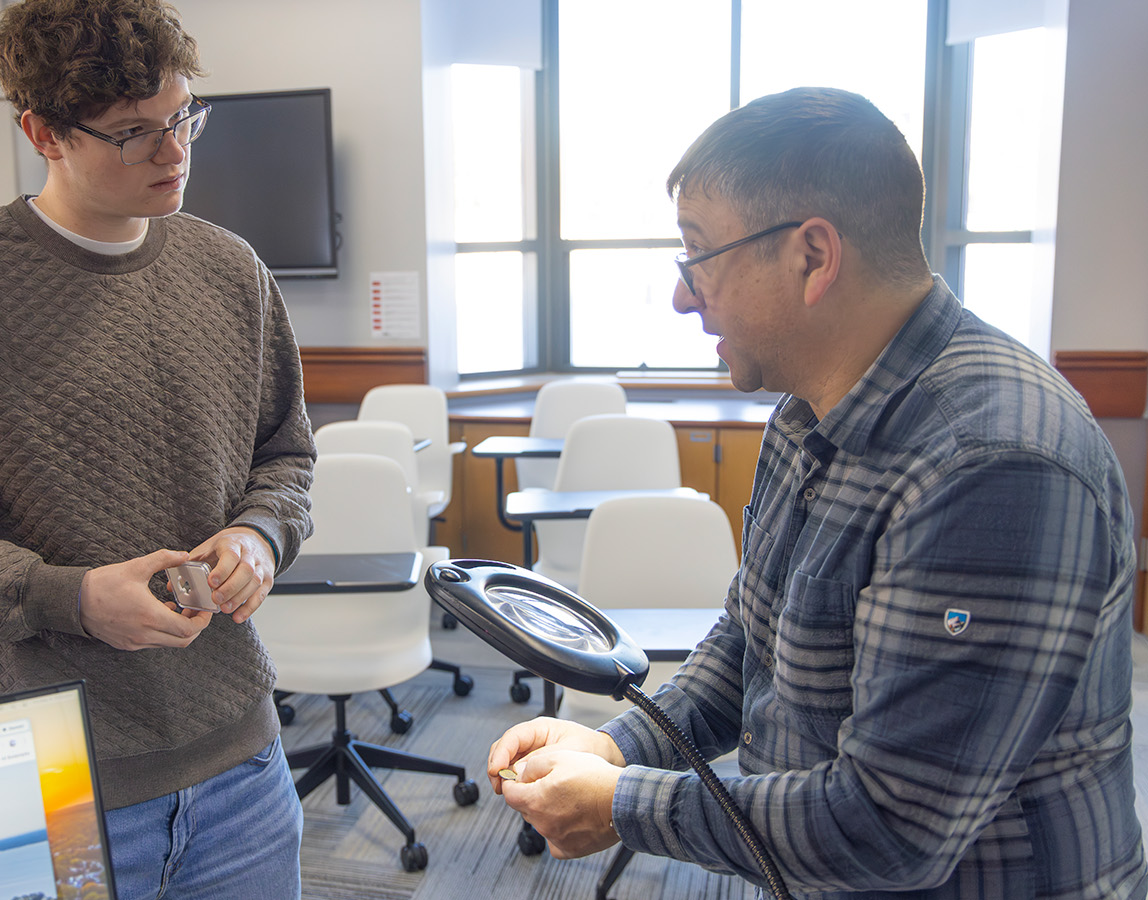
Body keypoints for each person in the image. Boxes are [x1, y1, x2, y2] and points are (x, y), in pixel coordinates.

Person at [487, 87, 1146, 899]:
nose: (681, 295)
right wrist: (622, 746)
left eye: (698, 255)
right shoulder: (808, 410)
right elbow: (748, 641)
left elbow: (889, 828)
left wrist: (625, 805)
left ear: (812, 256)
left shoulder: (995, 466)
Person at [0, 1, 315, 897]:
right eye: (133, 134)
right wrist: (71, 599)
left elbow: (286, 457)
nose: (174, 153)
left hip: (241, 754)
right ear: (42, 132)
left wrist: (259, 536)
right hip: (45, 772)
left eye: (184, 118)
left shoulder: (232, 269)